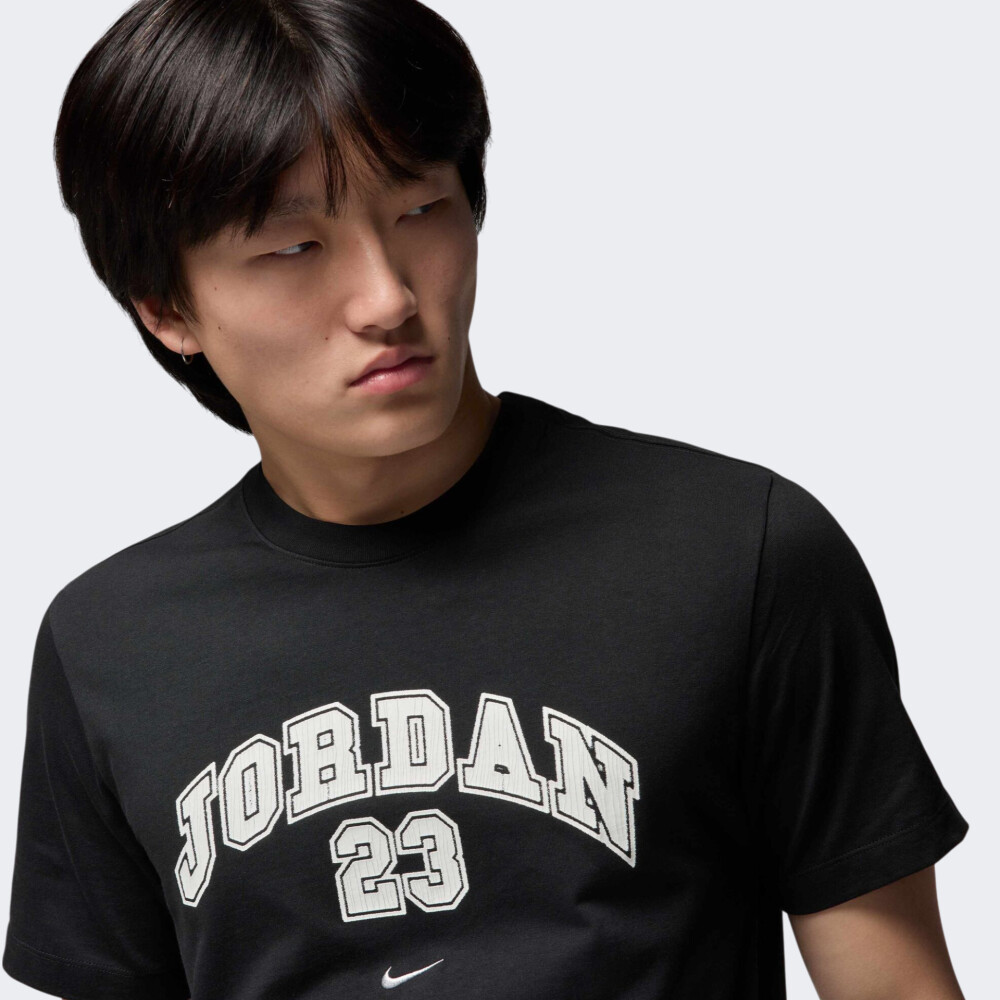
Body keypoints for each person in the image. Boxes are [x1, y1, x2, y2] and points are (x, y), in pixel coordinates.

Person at [1, 1, 970, 998]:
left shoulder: (739, 553)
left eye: (419, 210)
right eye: (294, 249)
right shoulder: (109, 644)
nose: (387, 297)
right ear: (166, 307)